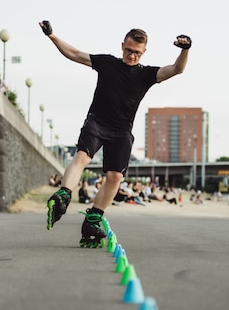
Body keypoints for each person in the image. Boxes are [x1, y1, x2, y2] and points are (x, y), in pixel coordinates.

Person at [40, 20, 191, 247]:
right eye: (129, 51)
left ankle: (94, 217)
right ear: (122, 46)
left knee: (116, 177)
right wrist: (52, 36)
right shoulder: (107, 63)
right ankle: (64, 193)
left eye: (137, 53)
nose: (132, 56)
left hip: (121, 131)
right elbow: (74, 54)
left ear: (144, 52)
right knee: (81, 157)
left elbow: (177, 69)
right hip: (97, 123)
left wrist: (185, 49)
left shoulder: (146, 75)